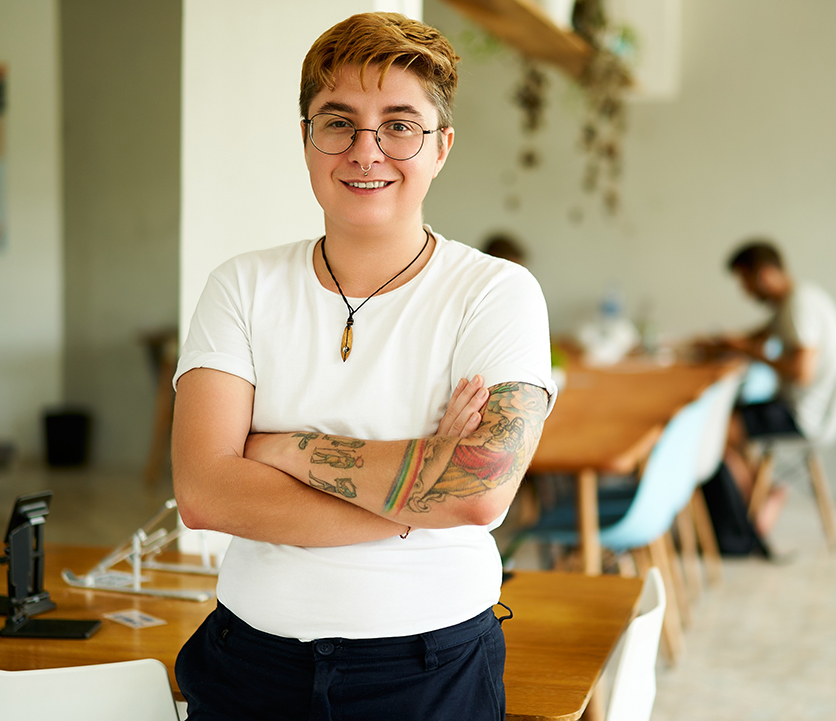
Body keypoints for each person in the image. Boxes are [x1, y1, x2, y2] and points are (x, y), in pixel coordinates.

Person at [170, 13, 556, 721]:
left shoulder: (497, 292)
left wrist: (279, 448)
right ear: (307, 140)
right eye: (338, 122)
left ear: (440, 147)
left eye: (400, 125)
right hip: (246, 662)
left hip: (427, 669)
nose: (365, 151)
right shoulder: (242, 286)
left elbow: (477, 491)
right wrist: (416, 488)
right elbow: (204, 492)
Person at [701, 240, 836, 535]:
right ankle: (762, 494)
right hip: (803, 407)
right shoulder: (796, 301)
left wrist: (752, 352)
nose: (744, 291)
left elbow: (801, 371)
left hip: (803, 414)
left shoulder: (800, 305)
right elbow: (757, 336)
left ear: (765, 275)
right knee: (729, 416)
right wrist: (726, 344)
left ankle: (753, 512)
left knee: (716, 425)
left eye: (744, 281)